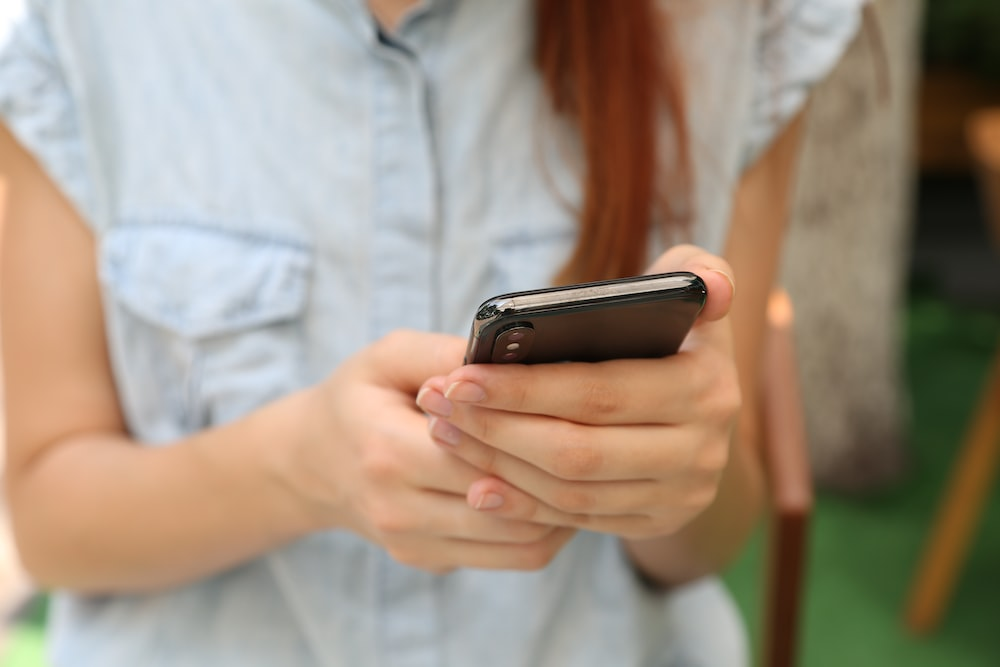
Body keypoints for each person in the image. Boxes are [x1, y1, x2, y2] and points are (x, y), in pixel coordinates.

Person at [0, 0, 863, 664]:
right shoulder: (81, 29)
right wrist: (297, 468)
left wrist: (677, 472)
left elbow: (713, 534)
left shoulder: (735, 21)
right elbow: (49, 521)